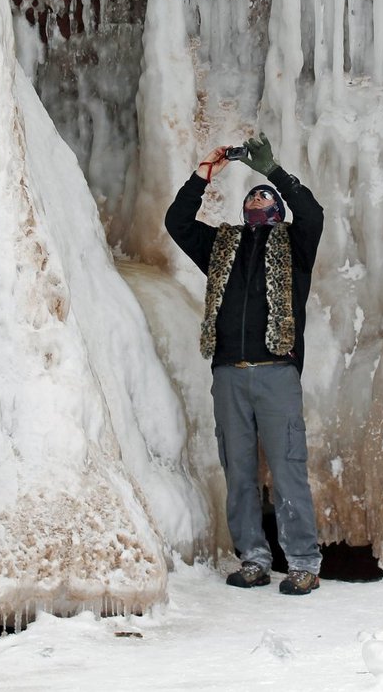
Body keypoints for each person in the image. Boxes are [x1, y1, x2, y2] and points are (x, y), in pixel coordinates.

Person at [165, 133, 324, 595]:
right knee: (237, 468)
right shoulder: (220, 248)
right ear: (243, 210)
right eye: (252, 195)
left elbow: (312, 213)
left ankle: (302, 562)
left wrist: (271, 172)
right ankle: (253, 557)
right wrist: (205, 174)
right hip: (229, 374)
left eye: (264, 196)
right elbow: (177, 221)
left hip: (277, 373)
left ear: (275, 209)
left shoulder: (295, 246)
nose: (257, 198)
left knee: (287, 464)